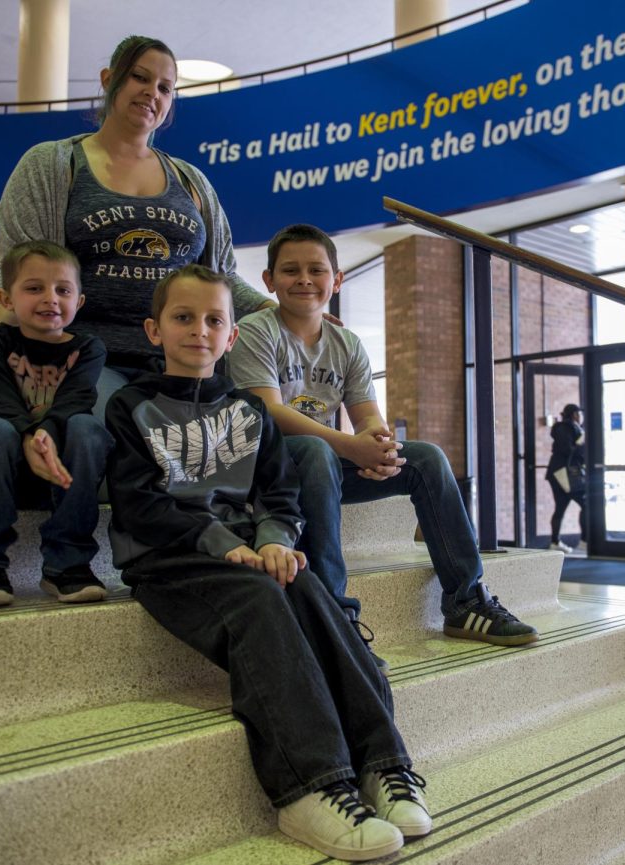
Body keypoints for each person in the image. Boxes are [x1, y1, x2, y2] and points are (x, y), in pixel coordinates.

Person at [105, 264, 431, 862]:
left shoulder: (250, 413)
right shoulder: (131, 407)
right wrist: (219, 542)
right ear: (155, 330)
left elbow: (279, 495)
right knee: (258, 597)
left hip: (248, 550)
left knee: (307, 588)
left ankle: (384, 766)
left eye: (213, 320)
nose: (198, 331)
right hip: (171, 560)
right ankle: (309, 786)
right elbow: (140, 503)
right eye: (183, 317)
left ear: (232, 338)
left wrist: (278, 538)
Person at [227, 223, 538, 660]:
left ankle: (466, 601)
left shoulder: (347, 343)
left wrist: (379, 447)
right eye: (290, 270)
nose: (304, 280)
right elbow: (270, 413)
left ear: (336, 280)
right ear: (269, 281)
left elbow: (367, 416)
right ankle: (335, 614)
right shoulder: (256, 330)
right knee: (317, 450)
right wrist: (349, 446)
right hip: (265, 470)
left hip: (323, 466)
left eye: (316, 270)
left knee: (425, 458)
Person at [0, 34, 273, 417]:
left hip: (181, 363)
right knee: (111, 428)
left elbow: (223, 278)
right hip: (82, 360)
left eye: (165, 87)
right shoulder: (50, 165)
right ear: (108, 79)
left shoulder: (192, 182)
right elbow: (16, 273)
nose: (152, 92)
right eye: (139, 77)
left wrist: (278, 311)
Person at [0, 240, 113, 607]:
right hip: (4, 474)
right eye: (34, 288)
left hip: (65, 474)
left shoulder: (89, 347)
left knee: (88, 429)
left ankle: (67, 563)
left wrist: (45, 433)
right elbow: (0, 402)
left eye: (63, 290)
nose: (51, 299)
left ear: (80, 301)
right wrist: (29, 436)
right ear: (6, 299)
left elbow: (77, 399)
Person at [545, 403, 587, 554]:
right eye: (579, 413)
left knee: (560, 507)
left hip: (559, 474)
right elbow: (568, 449)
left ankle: (555, 542)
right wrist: (581, 443)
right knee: (586, 504)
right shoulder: (566, 428)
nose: (581, 417)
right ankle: (585, 540)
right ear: (575, 414)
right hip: (565, 474)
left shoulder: (565, 428)